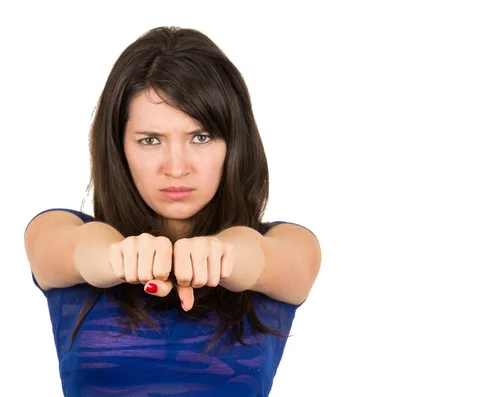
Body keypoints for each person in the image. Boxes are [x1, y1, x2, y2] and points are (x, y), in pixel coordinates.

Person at [24, 26, 321, 397]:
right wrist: (116, 256)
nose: (176, 167)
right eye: (150, 140)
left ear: (234, 142)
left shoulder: (290, 243)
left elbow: (261, 257)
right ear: (119, 148)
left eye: (201, 137)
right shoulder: (56, 228)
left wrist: (224, 253)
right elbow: (78, 249)